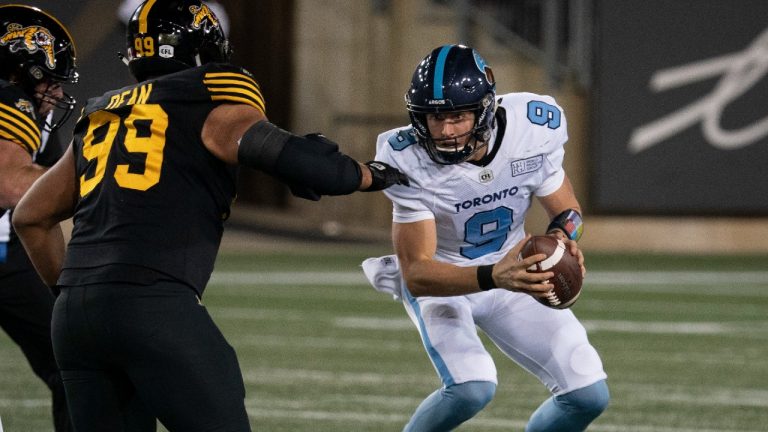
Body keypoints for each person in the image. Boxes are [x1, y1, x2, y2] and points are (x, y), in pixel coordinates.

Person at [11, 1, 408, 431]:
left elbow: (31, 216)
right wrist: (370, 174)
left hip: (75, 321)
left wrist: (69, 293)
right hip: (153, 305)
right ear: (205, 49)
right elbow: (306, 164)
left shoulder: (101, 115)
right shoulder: (208, 100)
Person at [362, 44, 609, 431]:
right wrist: (494, 276)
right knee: (471, 388)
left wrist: (562, 238)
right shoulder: (406, 158)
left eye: (457, 116)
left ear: (485, 109)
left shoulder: (532, 128)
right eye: (435, 118)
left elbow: (569, 212)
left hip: (514, 271)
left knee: (588, 394)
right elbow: (417, 274)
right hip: (446, 279)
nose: (445, 131)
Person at [0, 4, 77, 431]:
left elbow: (42, 198)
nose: (59, 95)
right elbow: (11, 185)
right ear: (18, 72)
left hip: (7, 252)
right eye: (51, 81)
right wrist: (104, 182)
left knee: (74, 359)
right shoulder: (9, 99)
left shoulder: (30, 113)